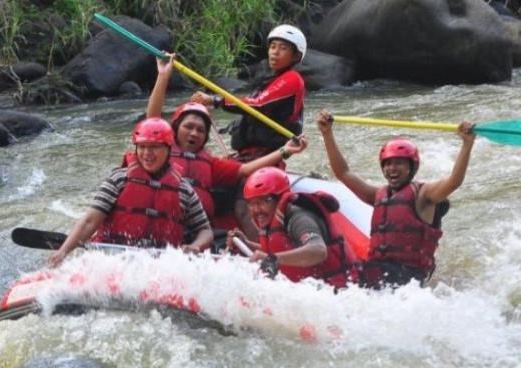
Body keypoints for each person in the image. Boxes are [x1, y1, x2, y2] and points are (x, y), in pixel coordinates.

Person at [315, 109, 476, 289]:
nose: (392, 168)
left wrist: (467, 144)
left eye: (399, 163)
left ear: (411, 167)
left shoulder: (424, 195)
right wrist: (327, 133)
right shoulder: (378, 195)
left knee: (353, 277)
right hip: (380, 272)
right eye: (388, 164)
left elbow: (454, 182)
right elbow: (343, 173)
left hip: (408, 277)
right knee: (339, 268)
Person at [145, 54, 307, 229]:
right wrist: (163, 76)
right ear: (176, 129)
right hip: (158, 226)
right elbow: (152, 119)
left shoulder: (210, 164)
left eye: (200, 130)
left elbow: (245, 169)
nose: (194, 133)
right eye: (188, 127)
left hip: (196, 234)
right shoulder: (163, 150)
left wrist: (285, 150)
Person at [190, 25, 307, 241]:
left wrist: (214, 100)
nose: (275, 52)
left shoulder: (292, 79)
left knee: (244, 208)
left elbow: (258, 105)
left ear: (296, 55)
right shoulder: (270, 81)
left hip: (267, 158)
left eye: (282, 48)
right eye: (272, 47)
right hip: (248, 157)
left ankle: (262, 255)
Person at [48, 118, 213, 267]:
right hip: (113, 259)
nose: (147, 153)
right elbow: (89, 222)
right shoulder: (119, 179)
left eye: (154, 147)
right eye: (142, 147)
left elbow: (205, 231)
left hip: (160, 266)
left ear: (168, 149)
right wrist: (63, 252)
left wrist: (195, 246)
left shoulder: (184, 190)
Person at [228, 167, 359, 289]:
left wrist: (273, 259)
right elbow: (282, 249)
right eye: (252, 203)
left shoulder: (299, 218)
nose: (257, 210)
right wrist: (247, 244)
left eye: (263, 201)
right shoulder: (272, 218)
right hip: (310, 291)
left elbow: (319, 250)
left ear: (279, 198)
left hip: (340, 291)